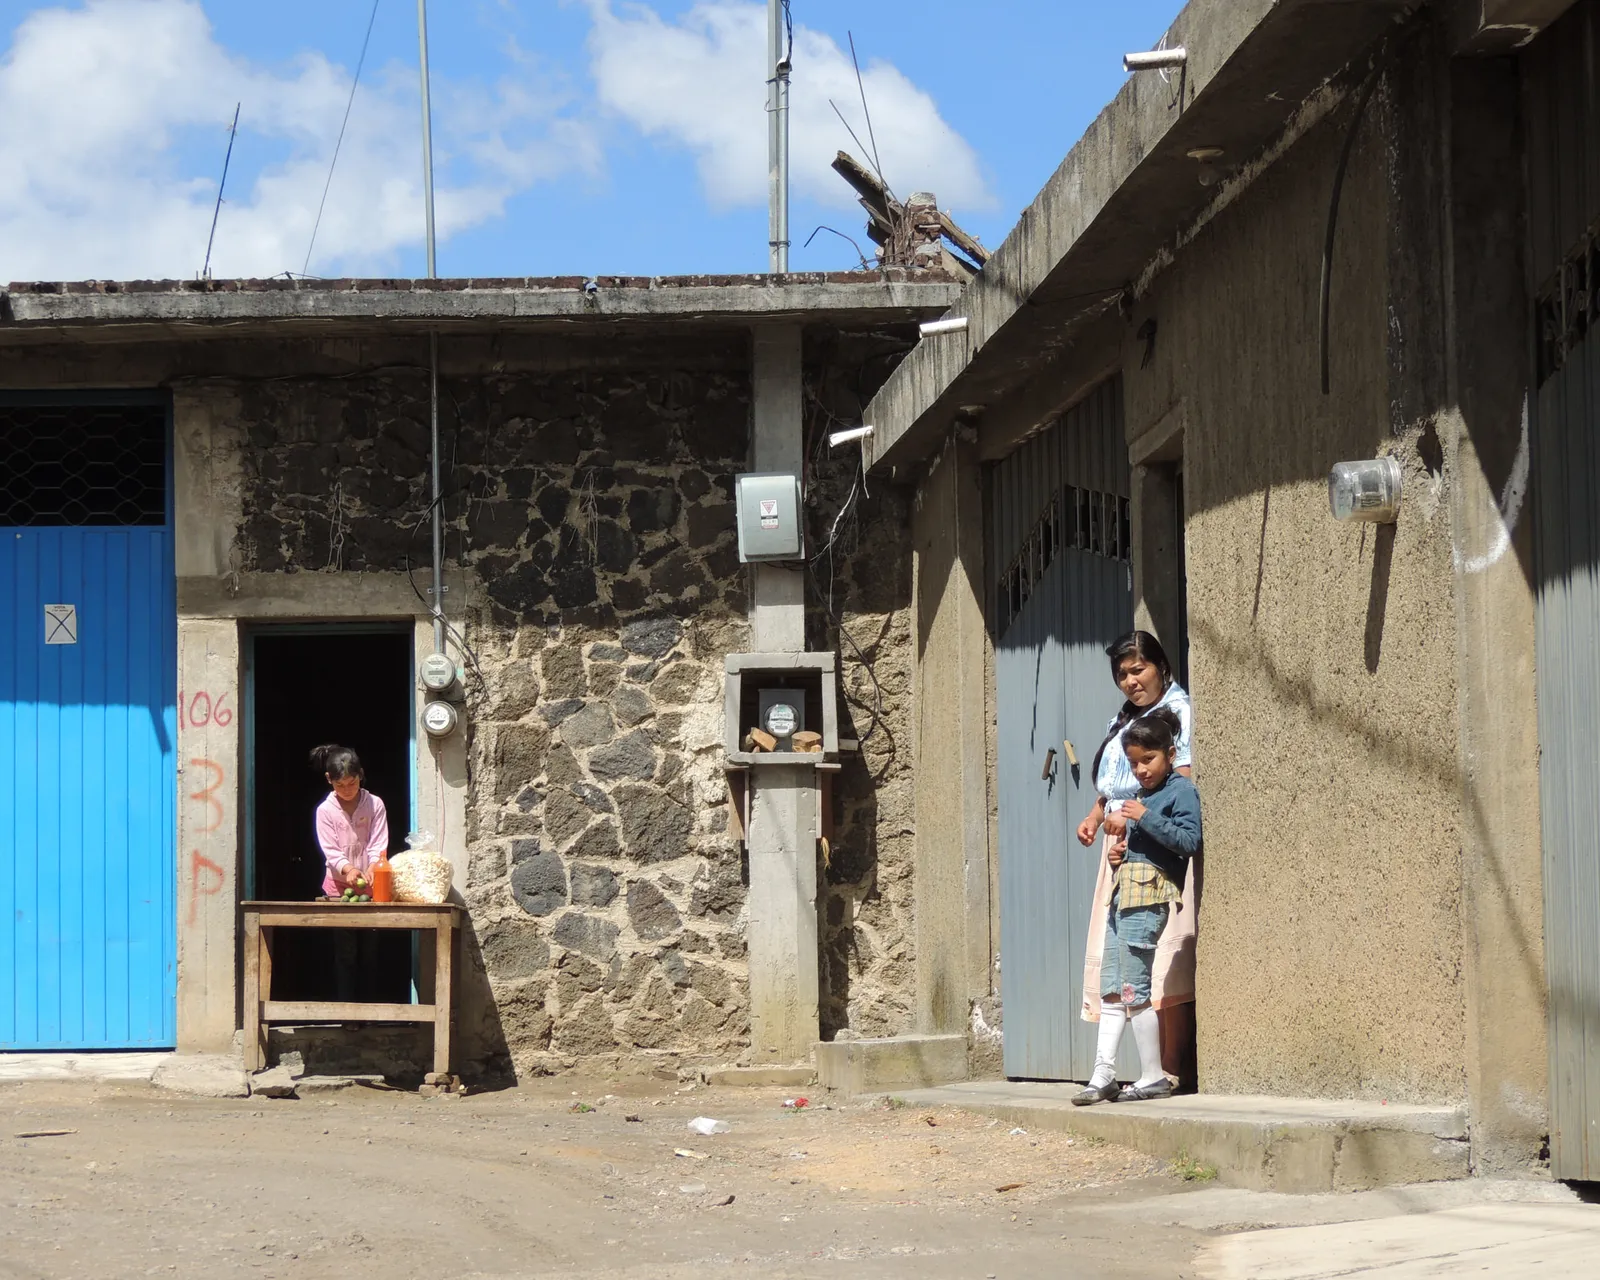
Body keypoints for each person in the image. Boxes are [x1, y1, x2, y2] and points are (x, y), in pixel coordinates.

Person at [1072, 630, 1200, 1097]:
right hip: (1122, 850)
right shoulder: (1126, 717)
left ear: (1160, 666)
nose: (1130, 680)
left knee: (1158, 963)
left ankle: (1166, 1071)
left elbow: (1175, 787)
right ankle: (1106, 1073)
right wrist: (1095, 816)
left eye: (1138, 669)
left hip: (1152, 857)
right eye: (1122, 674)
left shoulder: (1176, 713)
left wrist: (1134, 820)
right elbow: (1112, 785)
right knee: (1116, 970)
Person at [311, 744, 389, 899]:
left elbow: (378, 842)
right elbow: (330, 849)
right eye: (339, 785)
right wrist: (348, 869)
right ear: (329, 779)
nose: (347, 790)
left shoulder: (375, 804)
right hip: (337, 883)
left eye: (352, 783)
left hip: (370, 880)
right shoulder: (325, 810)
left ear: (360, 775)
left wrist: (373, 866)